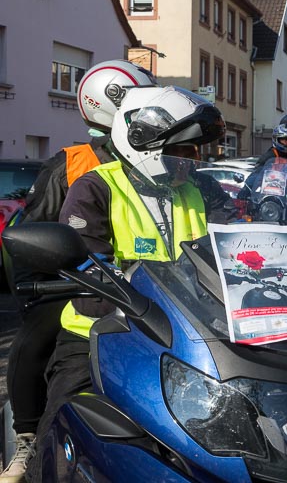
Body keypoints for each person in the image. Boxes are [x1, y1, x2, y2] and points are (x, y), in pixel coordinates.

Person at [28, 86, 229, 482]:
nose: (194, 159)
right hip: (102, 339)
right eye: (185, 150)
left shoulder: (199, 189)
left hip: (193, 341)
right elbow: (84, 260)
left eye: (195, 151)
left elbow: (237, 242)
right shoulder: (97, 188)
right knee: (66, 430)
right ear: (144, 144)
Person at [0, 60, 156, 483]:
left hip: (140, 291)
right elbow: (32, 229)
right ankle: (28, 437)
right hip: (72, 284)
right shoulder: (70, 163)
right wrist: (43, 287)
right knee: (33, 340)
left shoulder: (154, 162)